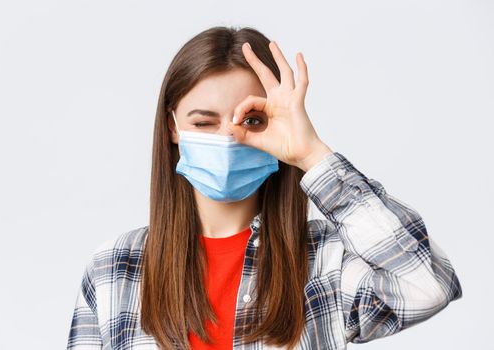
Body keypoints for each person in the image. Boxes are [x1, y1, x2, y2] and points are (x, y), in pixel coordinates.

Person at [66, 26, 463, 350]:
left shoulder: (325, 262)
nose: (228, 138)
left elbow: (429, 284)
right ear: (172, 127)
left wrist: (312, 155)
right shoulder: (114, 269)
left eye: (251, 121)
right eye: (204, 123)